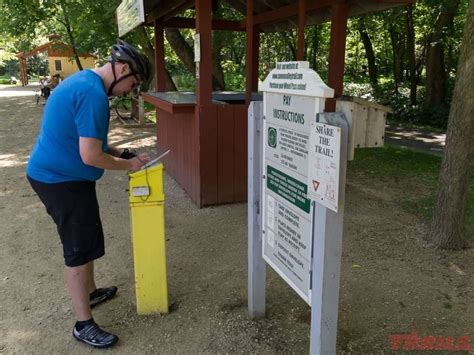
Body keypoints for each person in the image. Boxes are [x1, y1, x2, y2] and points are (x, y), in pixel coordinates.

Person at [26, 40, 152, 349]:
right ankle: (83, 324)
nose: (129, 91)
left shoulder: (84, 81)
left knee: (87, 237)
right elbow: (91, 156)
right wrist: (130, 166)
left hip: (64, 176)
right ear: (122, 69)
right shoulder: (94, 94)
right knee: (79, 249)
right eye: (132, 84)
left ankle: (92, 292)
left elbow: (90, 141)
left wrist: (123, 153)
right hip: (60, 180)